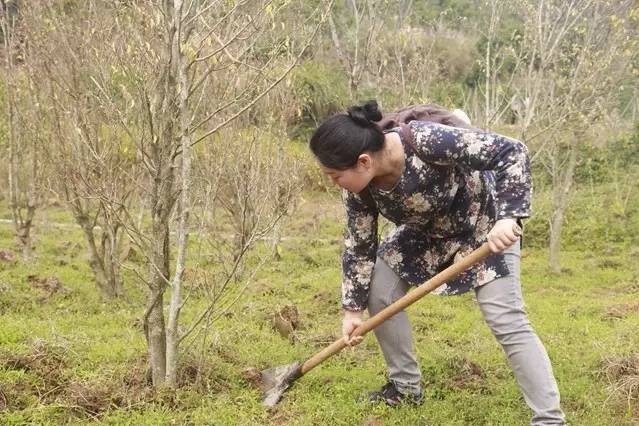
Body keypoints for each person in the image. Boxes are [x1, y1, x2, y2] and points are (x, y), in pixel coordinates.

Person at [309, 100, 565, 425]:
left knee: (505, 317)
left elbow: (510, 151)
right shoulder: (360, 190)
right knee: (378, 290)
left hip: (482, 225)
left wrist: (509, 216)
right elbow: (359, 245)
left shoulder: (426, 140)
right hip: (425, 234)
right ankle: (405, 389)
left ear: (362, 161)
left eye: (335, 176)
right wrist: (352, 311)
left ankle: (549, 419)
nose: (334, 183)